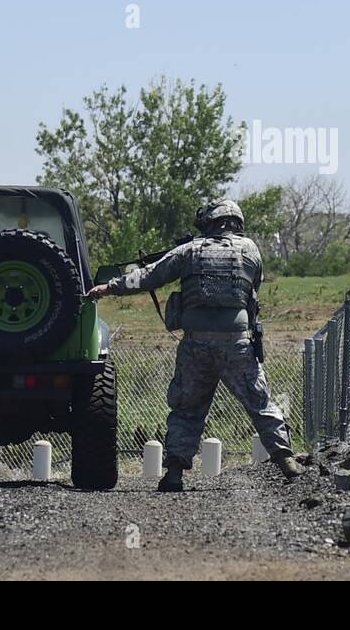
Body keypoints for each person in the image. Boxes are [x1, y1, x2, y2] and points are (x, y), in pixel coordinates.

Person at [87, 199, 303, 492]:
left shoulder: (188, 252)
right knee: (260, 404)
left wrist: (110, 287)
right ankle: (287, 462)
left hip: (195, 345)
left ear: (209, 222)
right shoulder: (250, 249)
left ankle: (174, 474)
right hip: (236, 345)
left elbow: (150, 275)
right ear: (237, 222)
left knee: (187, 409)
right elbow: (255, 284)